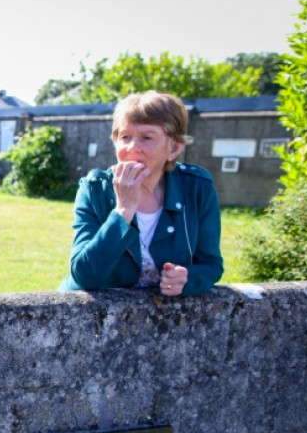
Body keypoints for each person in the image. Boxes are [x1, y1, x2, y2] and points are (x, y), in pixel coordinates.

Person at [59, 90, 223, 296]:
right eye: (125, 137)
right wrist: (123, 210)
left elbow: (211, 265)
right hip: (93, 311)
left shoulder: (197, 187)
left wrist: (188, 278)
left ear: (174, 148)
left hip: (163, 312)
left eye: (147, 137)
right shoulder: (95, 188)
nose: (133, 147)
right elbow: (85, 276)